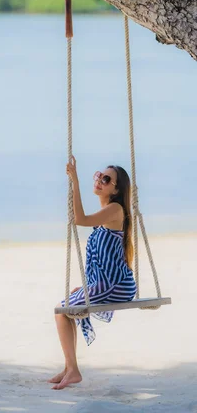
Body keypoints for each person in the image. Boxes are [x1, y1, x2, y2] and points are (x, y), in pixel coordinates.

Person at [49, 155, 136, 390]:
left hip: (115, 284)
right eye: (99, 175)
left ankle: (73, 370)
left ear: (116, 190)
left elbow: (80, 219)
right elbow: (103, 259)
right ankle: (69, 368)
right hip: (110, 282)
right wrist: (88, 285)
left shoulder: (115, 209)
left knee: (62, 311)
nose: (100, 180)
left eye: (106, 179)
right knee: (68, 308)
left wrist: (74, 181)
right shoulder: (107, 214)